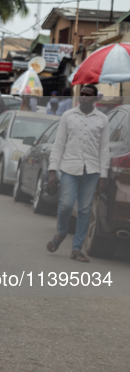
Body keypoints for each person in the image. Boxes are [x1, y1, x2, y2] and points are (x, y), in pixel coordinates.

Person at [46, 84, 109, 262]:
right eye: (82, 94)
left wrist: (103, 176)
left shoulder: (102, 120)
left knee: (84, 210)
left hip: (92, 170)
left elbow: (104, 149)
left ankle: (76, 249)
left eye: (88, 95)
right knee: (65, 205)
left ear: (95, 99)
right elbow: (59, 144)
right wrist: (52, 171)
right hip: (69, 168)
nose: (84, 97)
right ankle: (61, 233)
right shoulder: (68, 116)